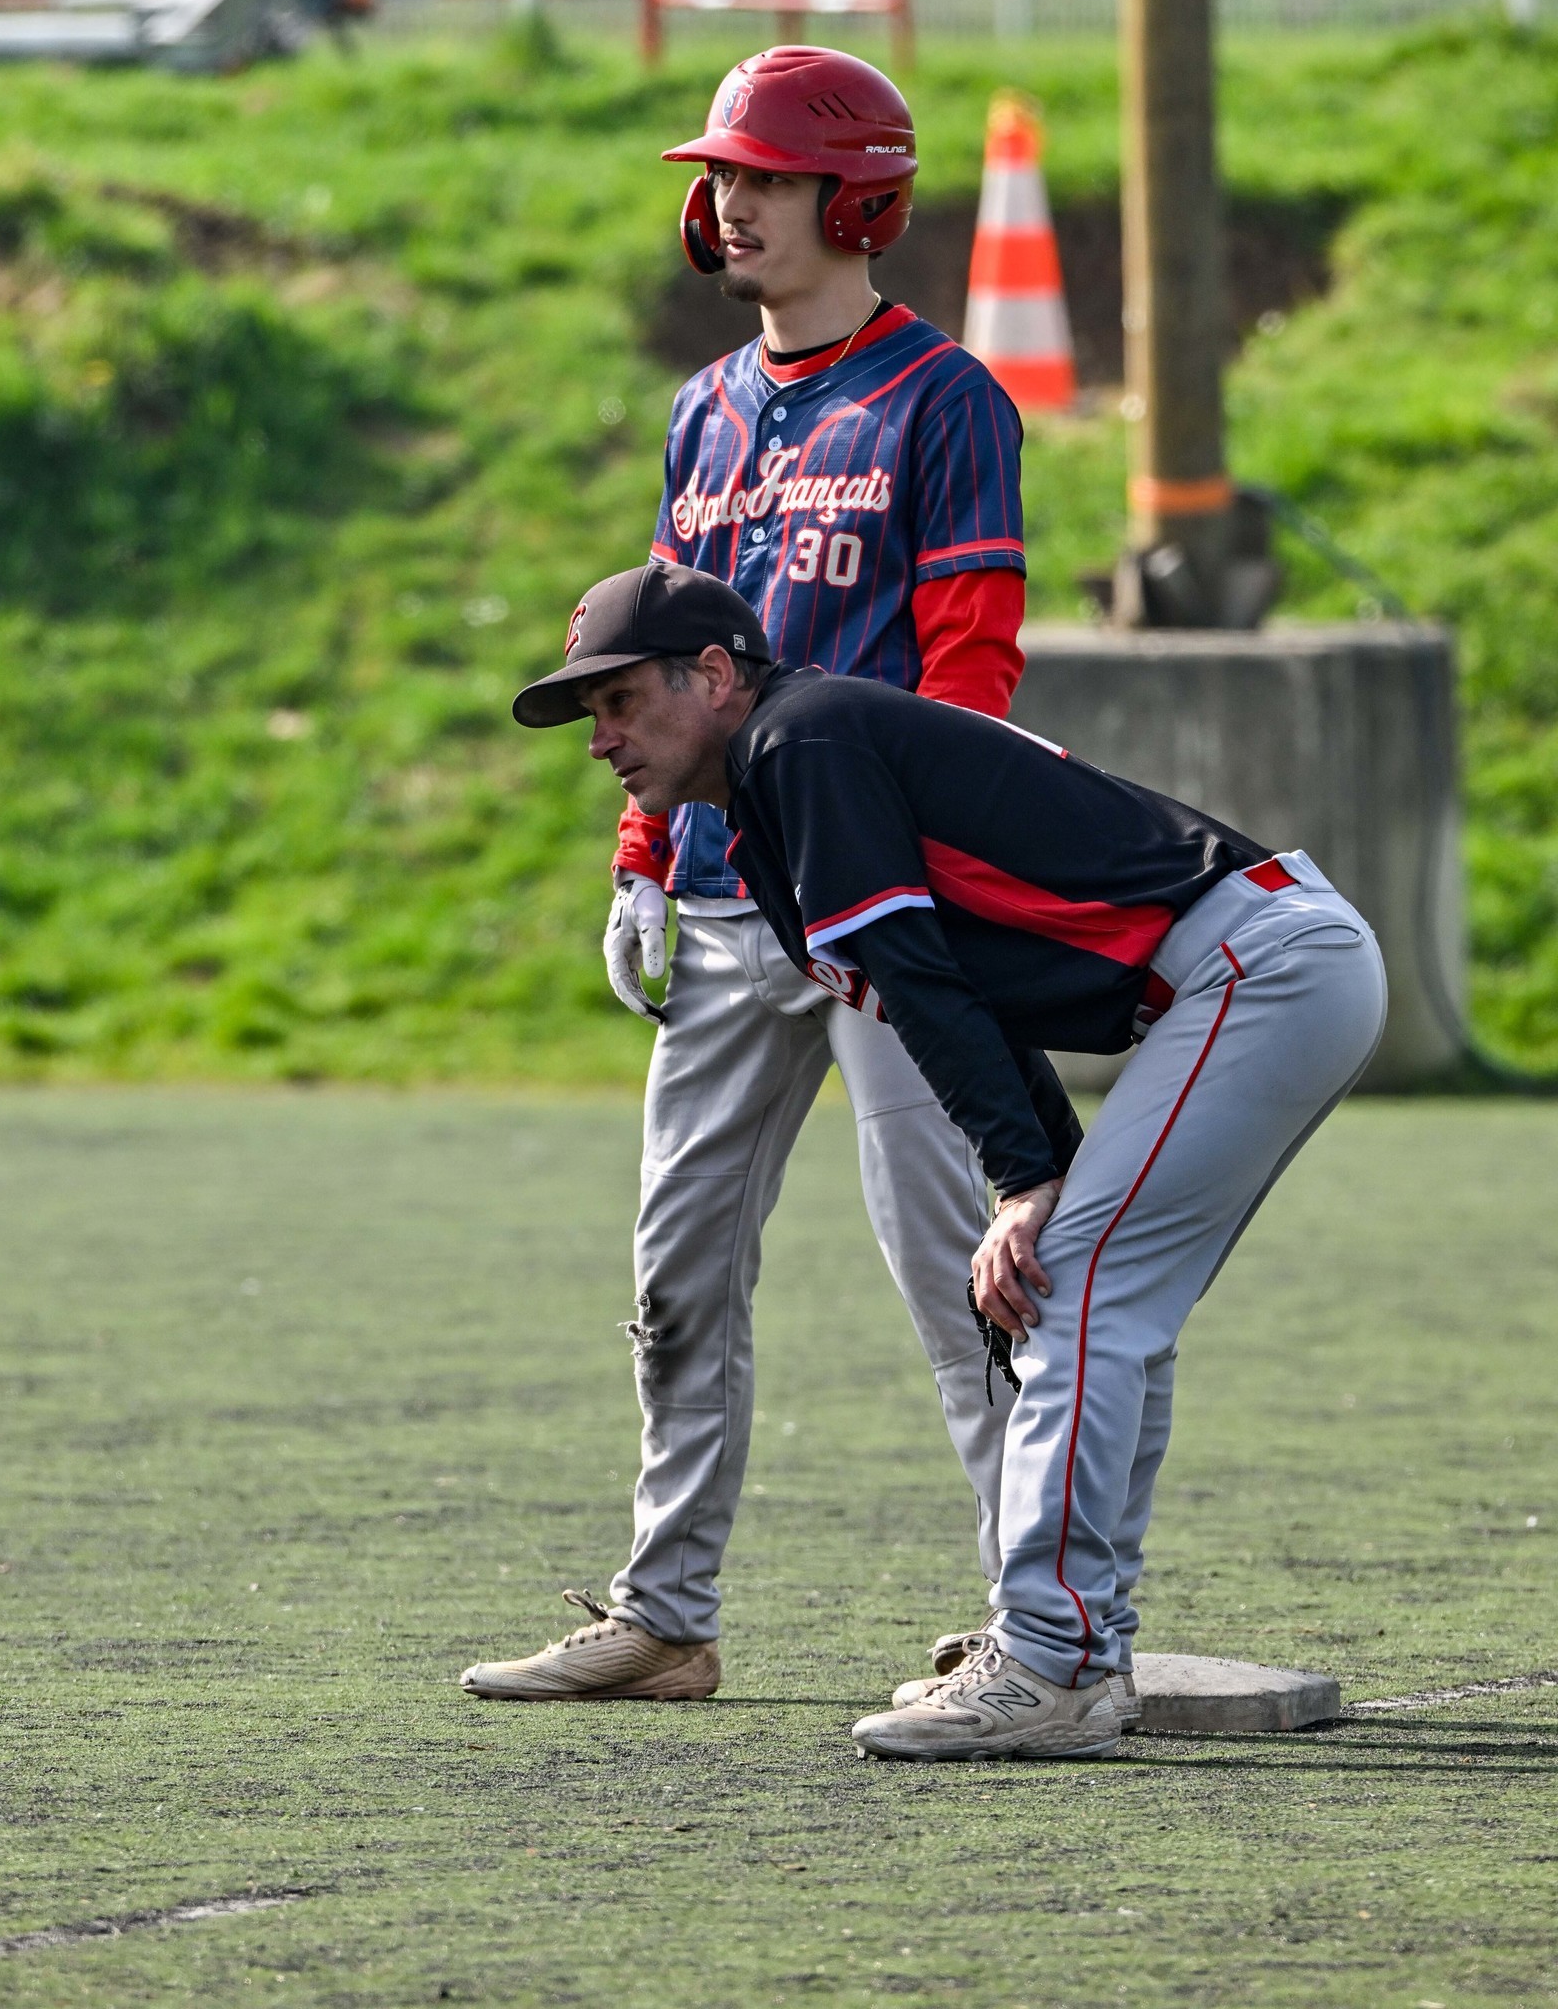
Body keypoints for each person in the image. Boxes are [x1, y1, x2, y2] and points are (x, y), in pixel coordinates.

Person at [493, 565, 1387, 1760]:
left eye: (616, 702)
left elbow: (915, 977)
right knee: (1090, 1292)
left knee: (1074, 1296)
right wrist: (1043, 1169)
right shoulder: (773, 784)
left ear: (714, 675)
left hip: (1256, 966)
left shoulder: (797, 744)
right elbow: (967, 986)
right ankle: (1080, 1650)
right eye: (587, 715)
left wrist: (1022, 1182)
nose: (599, 740)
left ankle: (1052, 1661)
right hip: (1257, 966)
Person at [461, 47, 1065, 1708]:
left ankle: (1043, 1618)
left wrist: (937, 856)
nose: (731, 200)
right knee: (675, 1271)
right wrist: (643, 849)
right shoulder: (703, 413)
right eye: (722, 172)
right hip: (729, 891)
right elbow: (653, 673)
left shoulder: (944, 401)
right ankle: (668, 1617)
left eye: (771, 175)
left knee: (967, 1269)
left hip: (877, 909)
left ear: (855, 195)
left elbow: (972, 657)